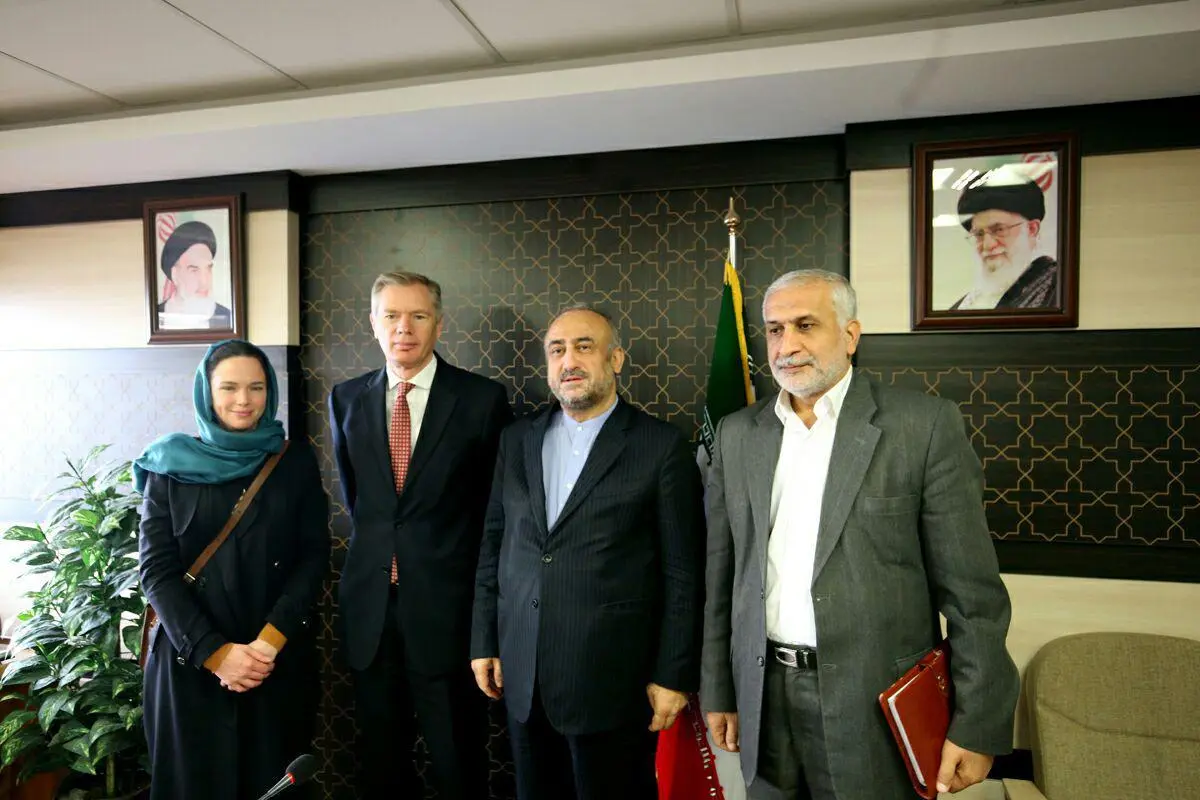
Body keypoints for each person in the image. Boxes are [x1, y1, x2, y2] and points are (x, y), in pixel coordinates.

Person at [701, 269, 1020, 800]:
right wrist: (718, 688)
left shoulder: (922, 426)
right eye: (775, 329)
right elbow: (722, 575)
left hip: (873, 705)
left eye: (806, 325)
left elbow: (974, 596)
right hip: (763, 697)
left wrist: (978, 723)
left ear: (850, 335)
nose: (786, 345)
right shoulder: (737, 434)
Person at [471, 304, 706, 800]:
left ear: (615, 359)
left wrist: (673, 674)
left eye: (584, 347)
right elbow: (494, 544)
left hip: (613, 684)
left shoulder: (660, 446)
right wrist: (484, 640)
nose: (569, 361)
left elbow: (683, 573)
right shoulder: (517, 439)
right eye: (557, 350)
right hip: (524, 674)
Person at [328, 271, 512, 798]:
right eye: (391, 315)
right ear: (373, 322)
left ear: (439, 324)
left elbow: (494, 513)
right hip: (371, 613)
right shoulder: (346, 398)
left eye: (418, 316)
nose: (403, 328)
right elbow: (360, 502)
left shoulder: (481, 400)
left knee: (458, 763)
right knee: (380, 765)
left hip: (448, 615)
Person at [136, 339, 330, 800]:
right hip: (190, 664)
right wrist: (215, 653)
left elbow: (313, 557)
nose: (244, 400)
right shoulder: (168, 463)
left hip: (272, 663)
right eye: (229, 387)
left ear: (270, 392)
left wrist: (267, 644)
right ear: (207, 392)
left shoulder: (293, 461)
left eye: (256, 387)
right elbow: (156, 570)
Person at [949, 177, 1059, 310]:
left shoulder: (1058, 287)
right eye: (979, 234)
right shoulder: (963, 305)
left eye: (999, 230)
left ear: (1031, 229)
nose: (987, 245)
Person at [157, 220, 233, 330]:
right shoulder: (156, 317)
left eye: (208, 269)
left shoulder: (228, 318)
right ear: (175, 274)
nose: (204, 281)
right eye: (194, 270)